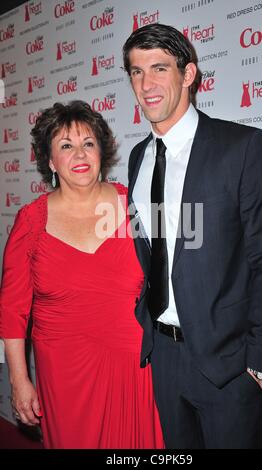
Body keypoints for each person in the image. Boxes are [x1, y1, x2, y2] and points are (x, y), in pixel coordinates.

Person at [122, 24, 262, 449]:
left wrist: (260, 364)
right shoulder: (138, 158)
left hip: (230, 364)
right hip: (163, 356)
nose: (146, 84)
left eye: (159, 68)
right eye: (135, 72)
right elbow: (157, 251)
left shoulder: (244, 147)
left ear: (188, 74)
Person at [0, 100, 164, 449]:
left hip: (132, 366)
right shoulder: (31, 222)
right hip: (63, 374)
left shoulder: (134, 206)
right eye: (66, 146)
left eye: (88, 143)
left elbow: (182, 269)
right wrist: (18, 379)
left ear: (101, 152)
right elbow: (13, 310)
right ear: (49, 161)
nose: (80, 154)